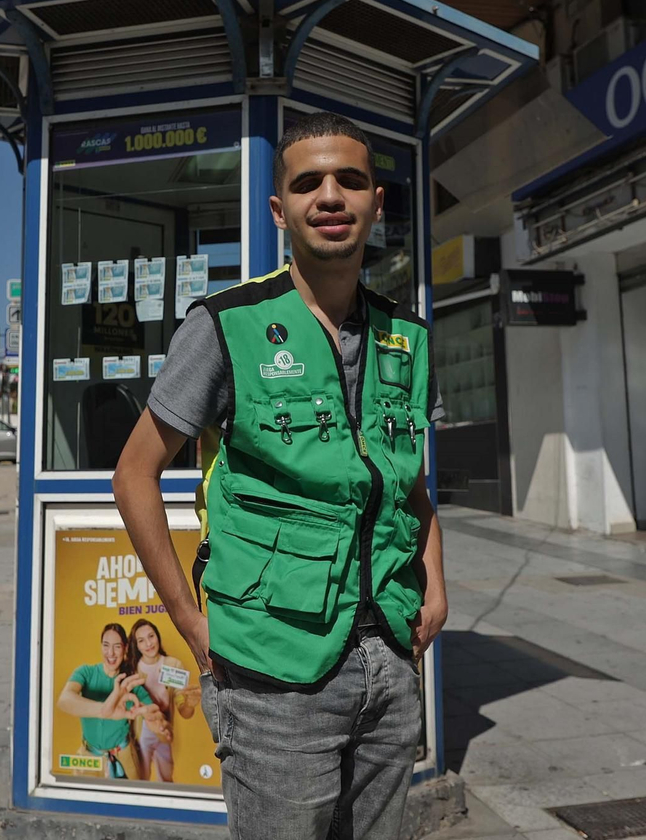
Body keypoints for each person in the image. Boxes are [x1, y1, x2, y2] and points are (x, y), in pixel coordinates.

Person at [114, 112, 448, 839]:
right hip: (272, 669)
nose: (330, 196)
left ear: (376, 202)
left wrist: (437, 583)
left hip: (390, 657)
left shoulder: (408, 337)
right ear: (280, 210)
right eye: (308, 183)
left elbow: (410, 486)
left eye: (350, 180)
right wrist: (192, 624)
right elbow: (134, 474)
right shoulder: (226, 325)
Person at [55, 623, 159, 779]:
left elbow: (154, 713)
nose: (110, 653)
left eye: (117, 646)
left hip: (124, 756)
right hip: (89, 757)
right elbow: (64, 700)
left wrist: (151, 716)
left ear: (124, 648)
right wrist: (106, 709)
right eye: (106, 645)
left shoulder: (130, 683)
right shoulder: (86, 672)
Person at [130, 618, 199, 781]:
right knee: (140, 777)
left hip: (165, 728)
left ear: (157, 636)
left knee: (166, 778)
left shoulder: (173, 665)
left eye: (151, 636)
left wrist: (189, 704)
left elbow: (184, 710)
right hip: (142, 731)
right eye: (141, 640)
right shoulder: (133, 669)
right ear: (136, 645)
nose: (148, 643)